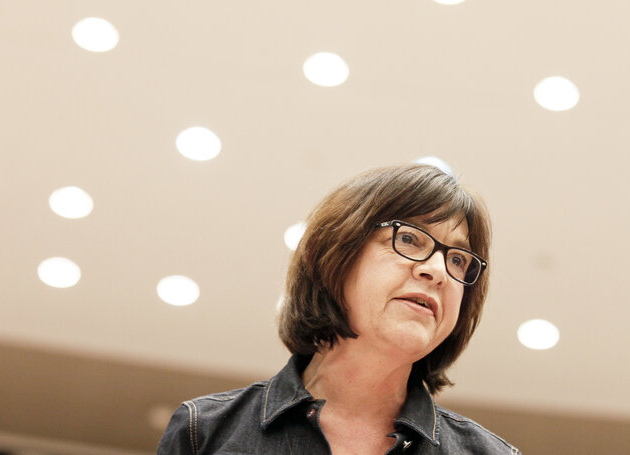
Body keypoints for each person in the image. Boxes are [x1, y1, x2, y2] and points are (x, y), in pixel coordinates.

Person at [157, 163, 520, 454]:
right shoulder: (203, 433)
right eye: (408, 238)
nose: (438, 271)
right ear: (329, 255)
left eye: (458, 259)